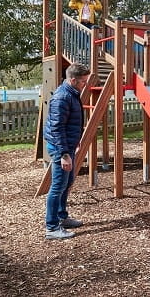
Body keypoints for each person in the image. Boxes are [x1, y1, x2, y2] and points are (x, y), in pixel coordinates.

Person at [43, 63, 91, 239]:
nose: (85, 84)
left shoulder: (71, 93)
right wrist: (64, 154)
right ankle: (52, 227)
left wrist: (74, 142)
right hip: (60, 148)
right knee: (57, 187)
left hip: (67, 146)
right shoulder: (62, 97)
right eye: (83, 81)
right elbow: (57, 128)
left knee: (66, 183)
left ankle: (62, 217)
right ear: (72, 80)